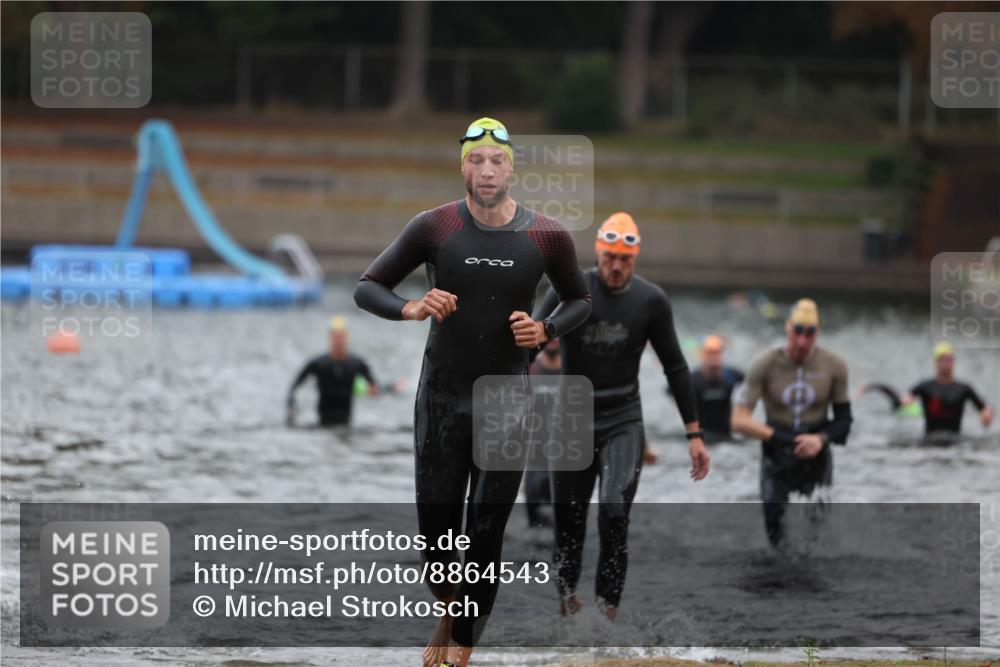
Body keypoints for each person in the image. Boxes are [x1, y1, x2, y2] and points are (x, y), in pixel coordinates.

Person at [353, 117, 591, 667]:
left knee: (485, 536)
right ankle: (454, 612)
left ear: (512, 167)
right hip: (440, 400)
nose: (487, 170)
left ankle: (462, 650)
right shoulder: (434, 227)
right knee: (437, 549)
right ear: (462, 164)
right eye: (476, 160)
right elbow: (368, 288)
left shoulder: (546, 235)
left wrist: (546, 329)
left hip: (507, 401)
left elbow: (579, 299)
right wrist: (412, 306)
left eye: (497, 161)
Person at [532, 211, 710, 620]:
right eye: (610, 256)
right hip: (571, 418)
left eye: (625, 260)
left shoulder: (651, 301)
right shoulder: (569, 288)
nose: (616, 266)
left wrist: (694, 435)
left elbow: (676, 368)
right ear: (598, 251)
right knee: (569, 523)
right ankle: (566, 606)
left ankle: (607, 613)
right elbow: (532, 343)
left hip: (623, 420)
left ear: (635, 259)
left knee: (614, 511)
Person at [731, 299, 853, 548]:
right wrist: (778, 438)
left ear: (817, 333)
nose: (802, 341)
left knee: (816, 534)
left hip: (816, 451)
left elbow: (844, 421)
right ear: (788, 329)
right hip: (777, 450)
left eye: (809, 334)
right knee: (775, 530)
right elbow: (738, 419)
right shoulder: (765, 363)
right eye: (797, 332)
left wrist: (820, 439)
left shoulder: (834, 365)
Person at [286, 316, 377, 427]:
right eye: (336, 337)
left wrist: (390, 388)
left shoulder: (357, 364)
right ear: (330, 338)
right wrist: (291, 408)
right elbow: (295, 386)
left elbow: (374, 387)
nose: (339, 341)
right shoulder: (318, 363)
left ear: (347, 338)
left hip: (346, 421)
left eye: (341, 337)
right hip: (322, 421)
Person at [902, 342, 993, 438]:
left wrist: (987, 415)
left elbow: (984, 409)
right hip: (930, 440)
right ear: (935, 362)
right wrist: (906, 402)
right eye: (942, 360)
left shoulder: (963, 389)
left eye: (948, 360)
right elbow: (906, 398)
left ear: (953, 362)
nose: (945, 363)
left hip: (955, 440)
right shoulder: (925, 387)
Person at [524, 337, 561, 528]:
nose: (554, 340)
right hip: (535, 454)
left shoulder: (573, 368)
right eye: (550, 335)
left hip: (566, 454)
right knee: (535, 524)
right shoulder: (530, 367)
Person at [686, 334, 744, 443]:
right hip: (703, 434)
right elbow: (672, 390)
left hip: (726, 433)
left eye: (717, 353)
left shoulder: (732, 375)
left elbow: (752, 384)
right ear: (702, 354)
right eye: (710, 353)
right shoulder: (693, 379)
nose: (713, 357)